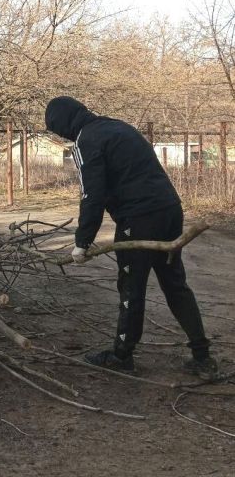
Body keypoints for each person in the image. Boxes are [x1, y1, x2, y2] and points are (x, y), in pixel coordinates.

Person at [44, 95, 217, 378]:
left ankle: (122, 356)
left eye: (55, 128)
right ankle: (202, 356)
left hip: (140, 218)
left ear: (63, 124)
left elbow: (92, 195)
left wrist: (82, 242)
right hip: (169, 210)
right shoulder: (117, 127)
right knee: (175, 283)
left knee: (131, 285)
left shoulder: (86, 140)